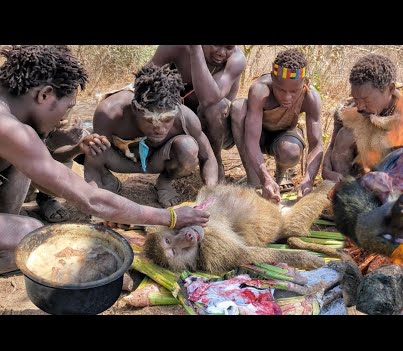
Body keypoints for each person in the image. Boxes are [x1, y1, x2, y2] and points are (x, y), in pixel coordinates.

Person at [0, 45, 209, 274]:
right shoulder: (11, 130)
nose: (64, 117)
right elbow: (91, 199)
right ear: (45, 94)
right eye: (67, 107)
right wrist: (169, 217)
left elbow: (50, 178)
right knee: (30, 234)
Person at [83, 62, 218, 207]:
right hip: (120, 160)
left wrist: (209, 194)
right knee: (95, 144)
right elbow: (93, 159)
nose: (160, 128)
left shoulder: (185, 117)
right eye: (149, 120)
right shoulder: (109, 112)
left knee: (188, 147)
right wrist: (96, 201)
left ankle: (165, 181)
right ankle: (106, 180)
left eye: (167, 120)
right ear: (135, 109)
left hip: (158, 162)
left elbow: (208, 157)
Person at [230, 48, 324, 203]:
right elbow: (251, 141)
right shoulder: (260, 90)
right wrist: (264, 178)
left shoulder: (310, 97)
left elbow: (316, 145)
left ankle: (281, 175)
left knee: (290, 151)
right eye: (280, 89)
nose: (287, 97)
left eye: (294, 91)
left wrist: (308, 180)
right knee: (239, 108)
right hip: (258, 135)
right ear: (273, 79)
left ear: (304, 83)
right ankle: (254, 181)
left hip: (284, 135)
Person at [150, 45, 246, 181]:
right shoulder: (178, 47)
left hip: (218, 129)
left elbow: (209, 99)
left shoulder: (236, 59)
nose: (221, 53)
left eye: (229, 47)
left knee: (215, 107)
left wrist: (196, 52)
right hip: (177, 118)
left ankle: (215, 162)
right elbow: (147, 77)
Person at [322, 54, 403, 182]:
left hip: (392, 180)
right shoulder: (349, 108)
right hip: (356, 175)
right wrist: (326, 170)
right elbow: (332, 147)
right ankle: (347, 192)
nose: (360, 107)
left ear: (390, 89)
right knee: (345, 135)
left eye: (366, 100)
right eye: (356, 99)